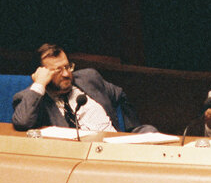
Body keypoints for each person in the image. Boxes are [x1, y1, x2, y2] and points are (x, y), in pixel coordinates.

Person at [12, 43, 158, 133]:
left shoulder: (89, 78)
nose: (66, 74)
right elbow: (22, 122)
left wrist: (128, 131)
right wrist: (39, 84)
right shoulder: (33, 98)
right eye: (58, 70)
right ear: (42, 73)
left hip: (113, 145)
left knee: (150, 132)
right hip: (77, 158)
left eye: (68, 67)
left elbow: (120, 95)